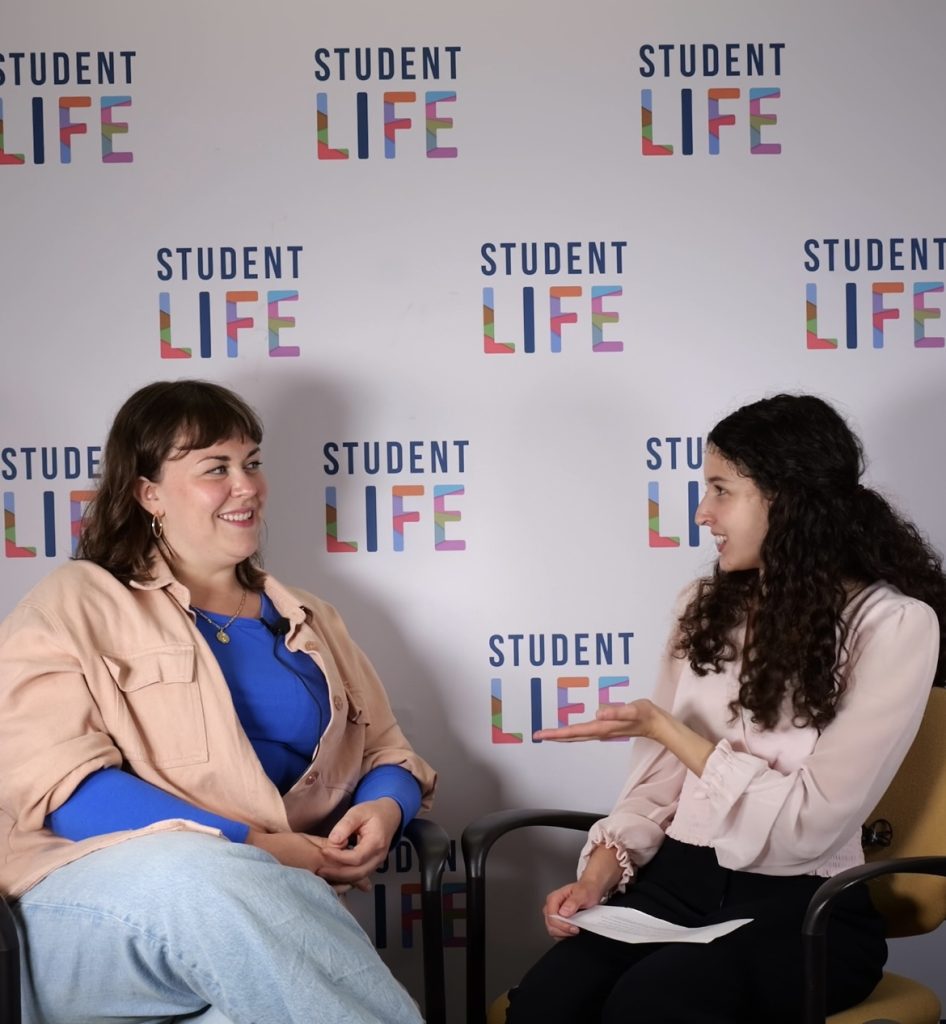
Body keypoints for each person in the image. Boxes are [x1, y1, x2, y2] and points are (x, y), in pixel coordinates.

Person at [0, 380, 436, 1024]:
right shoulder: (74, 601)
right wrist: (252, 844)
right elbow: (61, 792)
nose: (247, 485)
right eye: (216, 468)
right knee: (202, 873)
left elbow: (387, 750)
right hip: (84, 906)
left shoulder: (314, 618)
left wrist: (384, 805)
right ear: (148, 493)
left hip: (258, 916)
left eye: (252, 463)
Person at [506, 393, 946, 1024]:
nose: (701, 512)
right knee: (546, 1006)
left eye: (721, 489)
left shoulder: (894, 624)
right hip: (674, 885)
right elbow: (658, 786)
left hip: (806, 908)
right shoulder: (704, 606)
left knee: (654, 1004)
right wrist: (601, 872)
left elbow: (806, 827)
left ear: (788, 499)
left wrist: (664, 728)